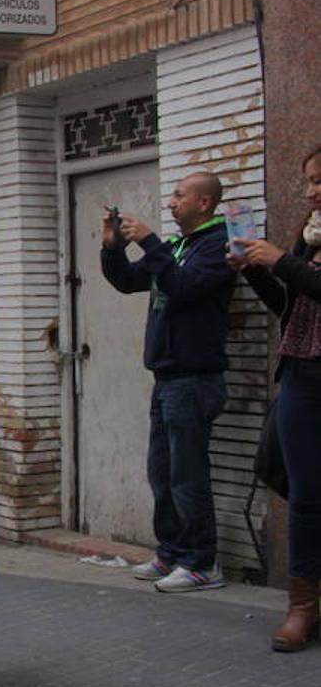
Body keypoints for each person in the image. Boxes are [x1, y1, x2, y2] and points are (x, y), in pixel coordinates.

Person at [101, 171, 237, 592]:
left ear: (204, 204)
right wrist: (112, 247)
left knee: (187, 474)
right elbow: (128, 282)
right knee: (162, 472)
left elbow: (182, 286)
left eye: (180, 195)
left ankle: (201, 562)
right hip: (167, 378)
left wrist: (150, 240)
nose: (172, 201)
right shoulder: (177, 246)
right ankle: (172, 552)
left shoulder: (218, 246)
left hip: (195, 379)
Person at [231, 146, 321, 650]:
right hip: (303, 376)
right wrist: (256, 271)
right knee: (307, 495)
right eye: (309, 181)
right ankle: (302, 605)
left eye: (320, 181)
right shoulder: (310, 239)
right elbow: (292, 308)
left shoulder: (300, 251)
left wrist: (282, 261)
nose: (311, 192)